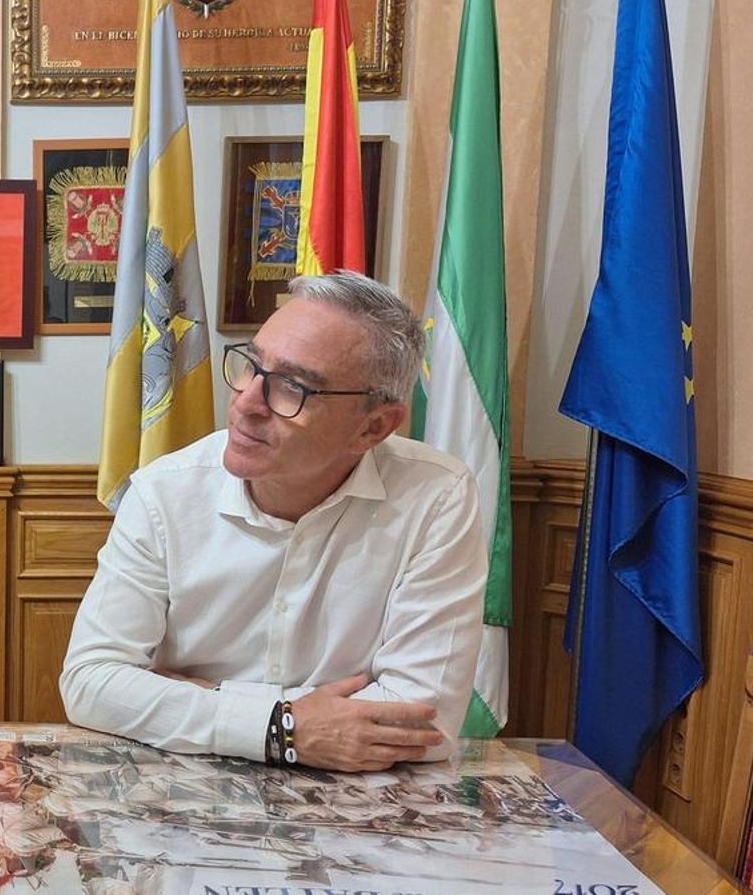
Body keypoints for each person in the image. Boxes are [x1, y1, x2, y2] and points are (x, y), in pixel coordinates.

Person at [61, 271, 487, 773]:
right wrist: (285, 726)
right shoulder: (165, 492)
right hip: (180, 798)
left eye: (292, 387)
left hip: (351, 821)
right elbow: (91, 683)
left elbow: (422, 725)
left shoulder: (436, 497)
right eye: (252, 365)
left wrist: (204, 697)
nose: (246, 402)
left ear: (373, 427)